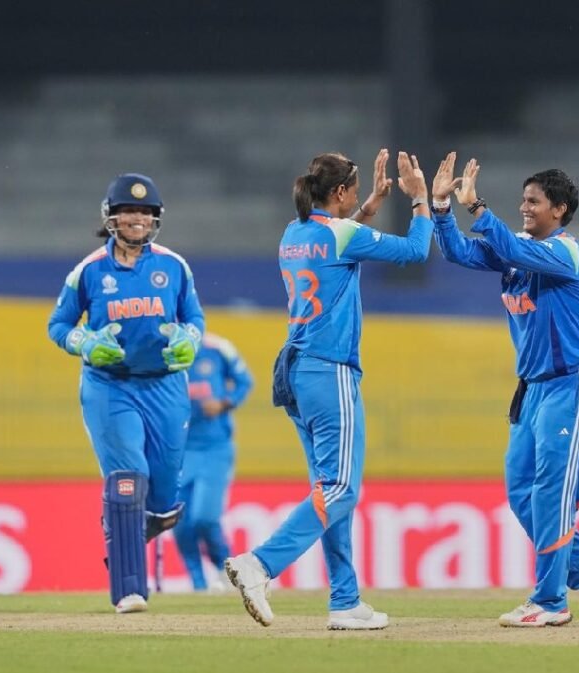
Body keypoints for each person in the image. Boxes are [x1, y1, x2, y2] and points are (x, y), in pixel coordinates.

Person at [224, 148, 438, 630]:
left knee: (327, 488)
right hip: (329, 369)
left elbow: (339, 241)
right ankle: (260, 564)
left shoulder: (294, 232)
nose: (361, 196)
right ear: (339, 193)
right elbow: (414, 251)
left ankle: (345, 601)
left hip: (294, 369)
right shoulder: (343, 235)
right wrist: (420, 201)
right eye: (356, 190)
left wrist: (371, 205)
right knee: (341, 488)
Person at [430, 152, 579, 627]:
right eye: (523, 200)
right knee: (521, 493)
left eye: (534, 202)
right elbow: (459, 252)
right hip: (532, 391)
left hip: (573, 384)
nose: (525, 208)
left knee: (553, 495)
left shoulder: (567, 253)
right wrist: (439, 209)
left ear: (559, 210)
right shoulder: (516, 249)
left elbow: (511, 251)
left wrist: (477, 208)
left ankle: (551, 602)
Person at [47, 173, 205, 614]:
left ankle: (122, 529)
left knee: (164, 503)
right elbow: (57, 325)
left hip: (166, 387)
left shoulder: (174, 266)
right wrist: (83, 343)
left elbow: (194, 318)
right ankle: (129, 590)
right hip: (111, 387)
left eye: (145, 212)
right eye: (128, 211)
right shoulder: (90, 270)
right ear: (111, 217)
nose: (137, 218)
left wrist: (190, 340)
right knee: (127, 480)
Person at [172, 331, 253, 592]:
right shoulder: (163, 351)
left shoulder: (218, 348)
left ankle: (225, 570)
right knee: (181, 522)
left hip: (214, 448)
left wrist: (225, 403)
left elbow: (244, 381)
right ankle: (197, 584)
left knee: (205, 517)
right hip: (179, 450)